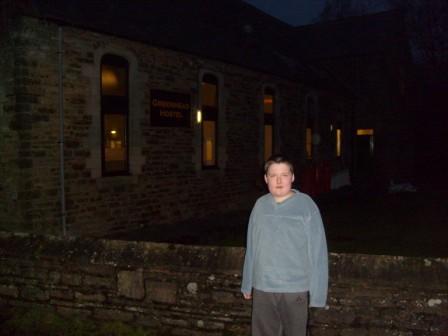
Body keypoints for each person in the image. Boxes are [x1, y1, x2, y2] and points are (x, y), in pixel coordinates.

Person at [241, 154, 328, 336]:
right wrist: (247, 282)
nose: (279, 180)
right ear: (266, 179)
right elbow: (252, 247)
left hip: (294, 289)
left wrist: (318, 294)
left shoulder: (306, 206)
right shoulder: (260, 206)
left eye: (284, 175)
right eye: (273, 175)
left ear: (293, 177)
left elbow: (318, 251)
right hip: (263, 287)